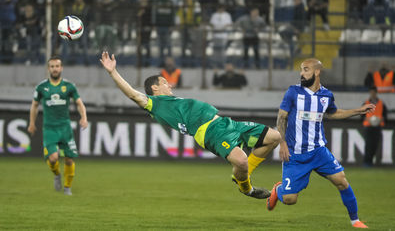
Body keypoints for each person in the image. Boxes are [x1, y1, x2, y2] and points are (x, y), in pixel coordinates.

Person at [100, 51, 281, 199]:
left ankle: (242, 175)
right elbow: (133, 94)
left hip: (226, 123)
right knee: (241, 161)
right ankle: (246, 188)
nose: (169, 84)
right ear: (155, 88)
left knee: (274, 138)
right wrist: (112, 72)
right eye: (164, 82)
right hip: (210, 132)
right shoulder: (155, 104)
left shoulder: (172, 100)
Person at [268, 58, 374, 229]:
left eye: (306, 69)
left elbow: (332, 113)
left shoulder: (326, 95)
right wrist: (282, 143)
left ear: (317, 72)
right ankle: (278, 190)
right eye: (301, 70)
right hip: (295, 154)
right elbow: (282, 117)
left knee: (341, 180)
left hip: (319, 151)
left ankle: (355, 221)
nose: (302, 73)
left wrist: (357, 111)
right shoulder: (293, 92)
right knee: (289, 200)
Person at [28, 56, 88, 195]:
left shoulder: (69, 86)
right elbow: (34, 106)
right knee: (53, 157)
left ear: (61, 68)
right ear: (48, 69)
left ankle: (67, 187)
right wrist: (31, 123)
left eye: (57, 66)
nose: (55, 69)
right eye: (52, 66)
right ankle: (56, 174)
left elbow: (79, 103)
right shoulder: (42, 87)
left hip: (65, 127)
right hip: (49, 127)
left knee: (69, 159)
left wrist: (84, 117)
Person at [361, 86, 387, 167]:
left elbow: (385, 116)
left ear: (376, 93)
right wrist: (368, 120)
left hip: (377, 127)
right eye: (371, 92)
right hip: (368, 127)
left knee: (375, 145)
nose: (372, 94)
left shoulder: (381, 104)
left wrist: (380, 120)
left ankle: (372, 161)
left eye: (373, 92)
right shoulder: (366, 103)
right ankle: (367, 162)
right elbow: (361, 116)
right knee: (368, 145)